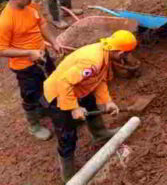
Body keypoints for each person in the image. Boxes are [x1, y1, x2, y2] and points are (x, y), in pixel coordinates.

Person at [42, 30, 136, 182]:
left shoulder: (104, 54)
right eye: (126, 55)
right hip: (57, 94)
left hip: (78, 88)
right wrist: (74, 108)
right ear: (119, 52)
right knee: (67, 134)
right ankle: (69, 177)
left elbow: (99, 80)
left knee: (90, 103)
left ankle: (100, 134)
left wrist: (107, 101)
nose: (125, 58)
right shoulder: (93, 61)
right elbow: (64, 83)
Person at [0, 0, 62, 141]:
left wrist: (54, 41)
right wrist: (28, 54)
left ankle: (52, 110)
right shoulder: (5, 21)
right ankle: (34, 125)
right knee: (30, 94)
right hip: (24, 65)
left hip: (42, 54)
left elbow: (41, 24)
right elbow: (0, 50)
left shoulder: (30, 5)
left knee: (52, 83)